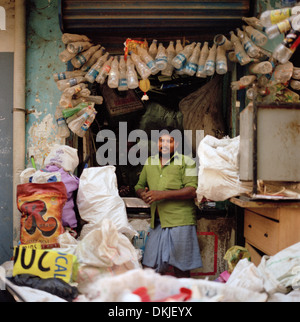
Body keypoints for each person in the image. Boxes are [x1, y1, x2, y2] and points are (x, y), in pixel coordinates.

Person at [135, 127, 202, 278]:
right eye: (161, 140)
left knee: (181, 269)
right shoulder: (149, 162)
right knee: (149, 266)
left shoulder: (188, 162)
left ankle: (183, 298)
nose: (164, 144)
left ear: (176, 144)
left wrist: (161, 194)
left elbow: (192, 190)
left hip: (180, 220)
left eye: (169, 141)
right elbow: (139, 185)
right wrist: (143, 194)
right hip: (158, 222)